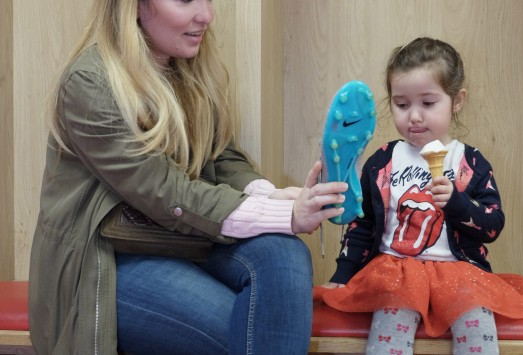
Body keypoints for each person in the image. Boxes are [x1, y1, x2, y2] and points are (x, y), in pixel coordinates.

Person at [28, 1, 348, 354]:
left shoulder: (188, 68)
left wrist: (273, 196)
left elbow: (220, 156)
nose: (206, 15)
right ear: (134, 6)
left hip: (182, 236)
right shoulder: (89, 83)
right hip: (109, 258)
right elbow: (169, 193)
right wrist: (287, 216)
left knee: (284, 252)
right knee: (252, 329)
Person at [314, 37, 523, 355]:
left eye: (427, 103)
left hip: (461, 273)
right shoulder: (382, 161)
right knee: (388, 333)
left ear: (457, 101)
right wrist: (342, 275)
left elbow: (492, 226)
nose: (414, 116)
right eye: (401, 104)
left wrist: (457, 203)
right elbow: (363, 225)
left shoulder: (470, 163)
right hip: (395, 271)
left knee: (477, 330)